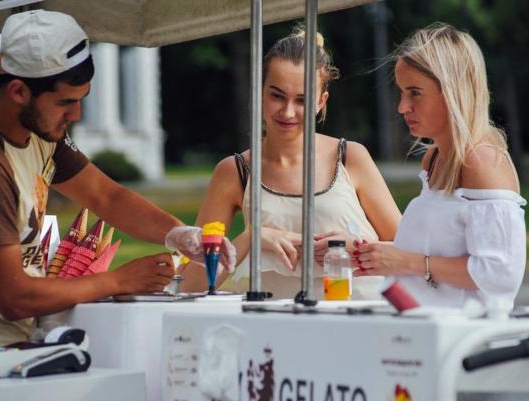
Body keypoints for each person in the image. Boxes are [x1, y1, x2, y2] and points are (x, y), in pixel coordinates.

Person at [0, 10, 235, 378]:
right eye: (65, 103)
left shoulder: (34, 128)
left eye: (82, 98)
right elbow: (15, 297)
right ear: (18, 91)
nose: (76, 113)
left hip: (4, 350)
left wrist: (180, 234)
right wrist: (118, 281)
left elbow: (106, 197)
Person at [180, 29, 401, 300]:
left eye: (302, 100)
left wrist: (357, 247)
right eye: (277, 95)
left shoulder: (350, 157)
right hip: (278, 332)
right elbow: (190, 284)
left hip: (361, 323)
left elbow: (408, 253)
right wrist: (251, 239)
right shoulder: (234, 172)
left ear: (321, 101)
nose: (287, 112)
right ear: (260, 92)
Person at [354, 23, 526, 309]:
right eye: (401, 92)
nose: (402, 107)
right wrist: (364, 251)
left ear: (452, 91)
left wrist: (406, 262)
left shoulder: (481, 162)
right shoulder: (434, 158)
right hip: (424, 330)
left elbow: (500, 274)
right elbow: (436, 251)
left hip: (463, 340)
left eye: (414, 93)